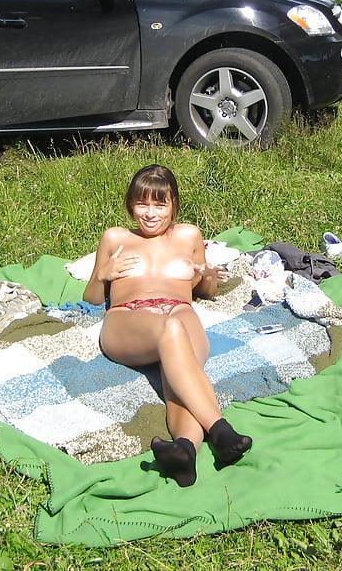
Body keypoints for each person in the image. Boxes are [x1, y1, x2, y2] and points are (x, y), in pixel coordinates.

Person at [83, 164, 252, 486]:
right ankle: (220, 430)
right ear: (130, 205)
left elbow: (203, 290)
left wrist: (207, 277)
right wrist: (104, 274)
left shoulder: (189, 235)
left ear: (174, 205)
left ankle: (184, 451)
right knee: (172, 331)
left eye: (160, 205)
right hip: (128, 319)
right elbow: (91, 298)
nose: (150, 213)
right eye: (142, 204)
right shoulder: (115, 238)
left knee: (180, 371)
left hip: (178, 309)